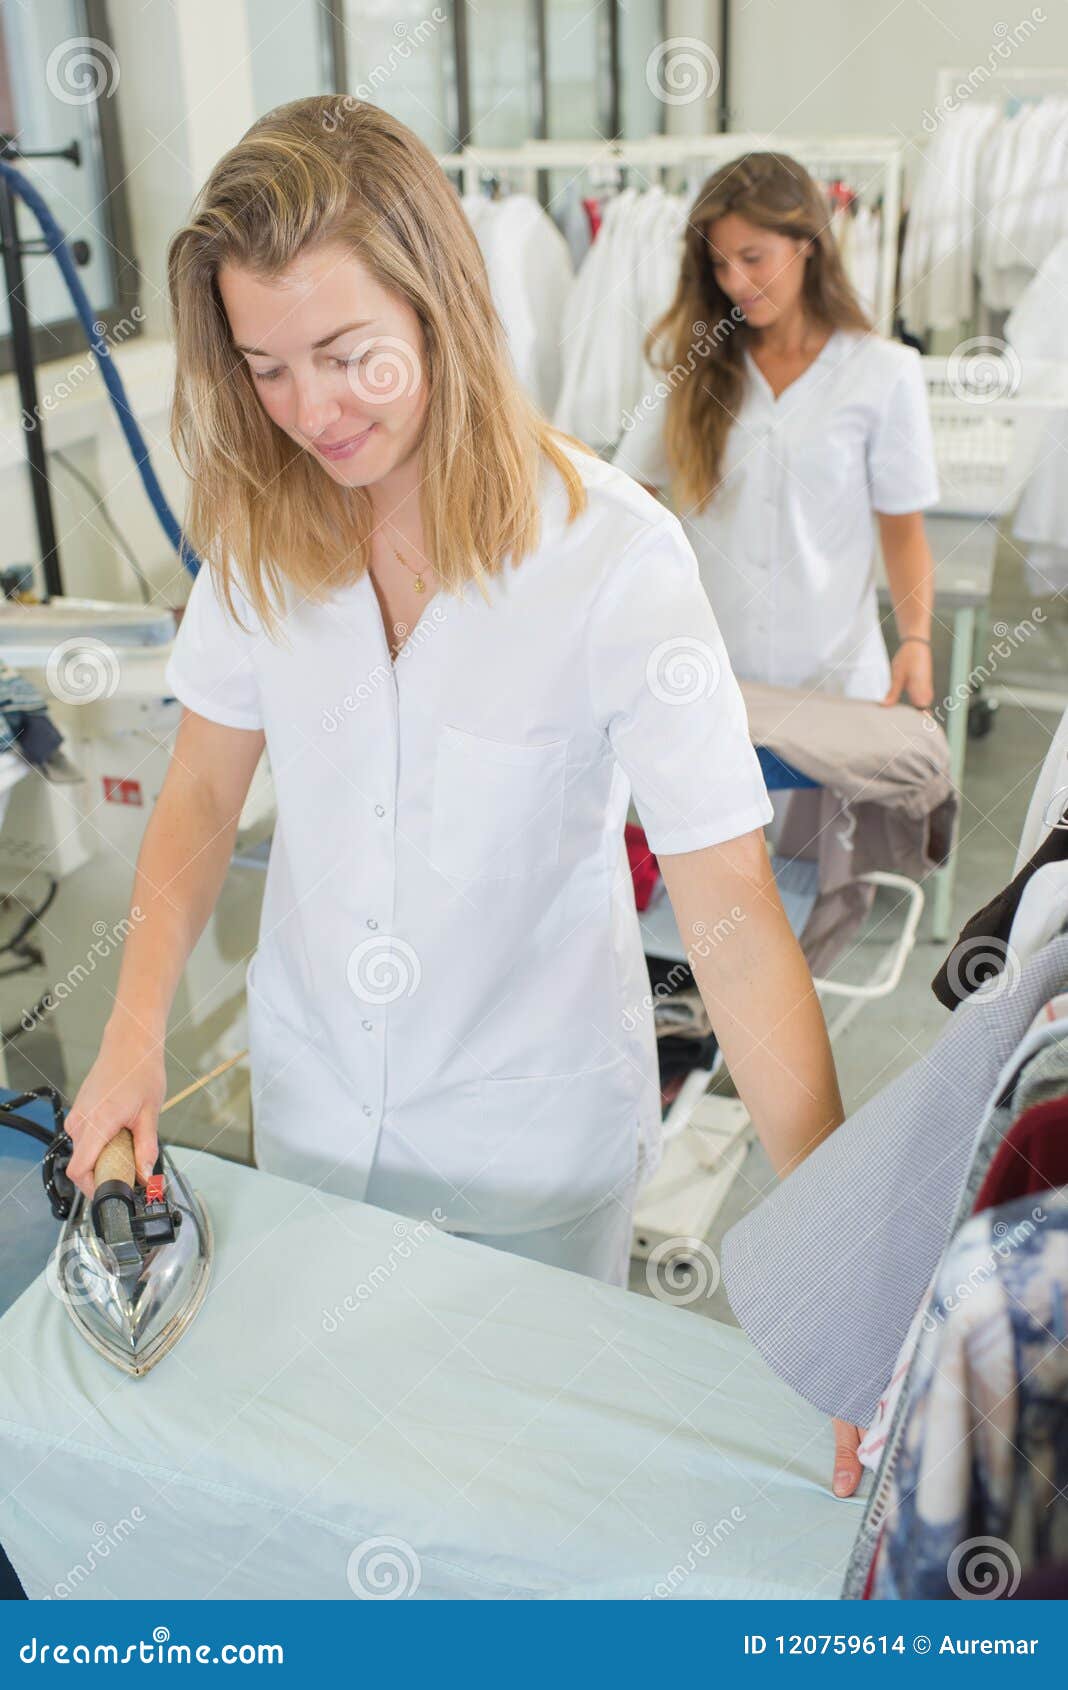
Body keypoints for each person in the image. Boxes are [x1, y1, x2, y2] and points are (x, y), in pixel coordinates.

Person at [64, 98, 858, 1493]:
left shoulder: (614, 561)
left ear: (441, 307)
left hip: (528, 1165)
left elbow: (731, 917)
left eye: (348, 355)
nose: (313, 410)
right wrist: (132, 1038)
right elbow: (198, 794)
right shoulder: (259, 530)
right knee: (333, 1489)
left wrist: (853, 1268)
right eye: (266, 367)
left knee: (508, 1510)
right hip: (311, 1134)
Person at [612, 151, 938, 710]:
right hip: (712, 678)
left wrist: (915, 639)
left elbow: (902, 530)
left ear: (806, 244)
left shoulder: (883, 373)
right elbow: (627, 497)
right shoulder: (696, 368)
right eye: (719, 264)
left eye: (753, 258)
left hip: (836, 684)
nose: (735, 281)